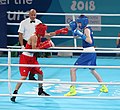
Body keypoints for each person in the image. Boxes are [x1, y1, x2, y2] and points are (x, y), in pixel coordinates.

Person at [10, 23, 68, 102]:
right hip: (25, 58)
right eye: (44, 30)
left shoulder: (40, 35)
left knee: (40, 73)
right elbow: (34, 49)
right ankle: (15, 93)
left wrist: (58, 32)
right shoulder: (34, 37)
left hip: (32, 58)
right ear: (40, 31)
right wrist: (45, 45)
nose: (45, 32)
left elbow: (49, 34)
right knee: (24, 77)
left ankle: (40, 91)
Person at [64, 15, 108, 96]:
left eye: (79, 23)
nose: (79, 25)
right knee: (92, 70)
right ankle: (104, 86)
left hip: (88, 52)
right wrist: (73, 30)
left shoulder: (86, 29)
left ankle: (72, 90)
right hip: (91, 51)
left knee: (72, 69)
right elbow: (75, 36)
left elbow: (89, 41)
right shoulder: (85, 29)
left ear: (83, 22)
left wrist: (80, 34)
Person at [18, 9, 42, 80]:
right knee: (26, 58)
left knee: (34, 59)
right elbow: (20, 34)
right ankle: (24, 73)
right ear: (29, 15)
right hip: (27, 43)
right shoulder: (23, 22)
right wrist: (22, 45)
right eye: (32, 15)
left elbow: (41, 34)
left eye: (34, 15)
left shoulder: (39, 22)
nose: (33, 16)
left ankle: (32, 75)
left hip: (35, 42)